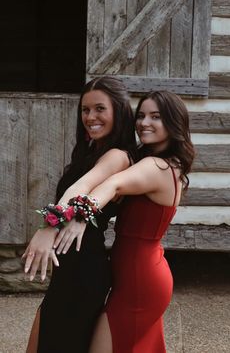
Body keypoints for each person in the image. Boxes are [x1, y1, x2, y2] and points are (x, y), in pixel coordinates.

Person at [69, 90, 195, 353]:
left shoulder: (157, 167)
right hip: (138, 276)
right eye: (141, 115)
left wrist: (81, 215)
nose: (144, 122)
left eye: (156, 116)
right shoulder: (165, 164)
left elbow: (113, 185)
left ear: (173, 123)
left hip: (140, 283)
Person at [22, 75, 137, 353]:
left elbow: (81, 188)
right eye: (85, 110)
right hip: (70, 270)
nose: (90, 116)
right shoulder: (89, 151)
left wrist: (49, 226)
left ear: (118, 112)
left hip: (85, 271)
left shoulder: (119, 156)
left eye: (100, 109)